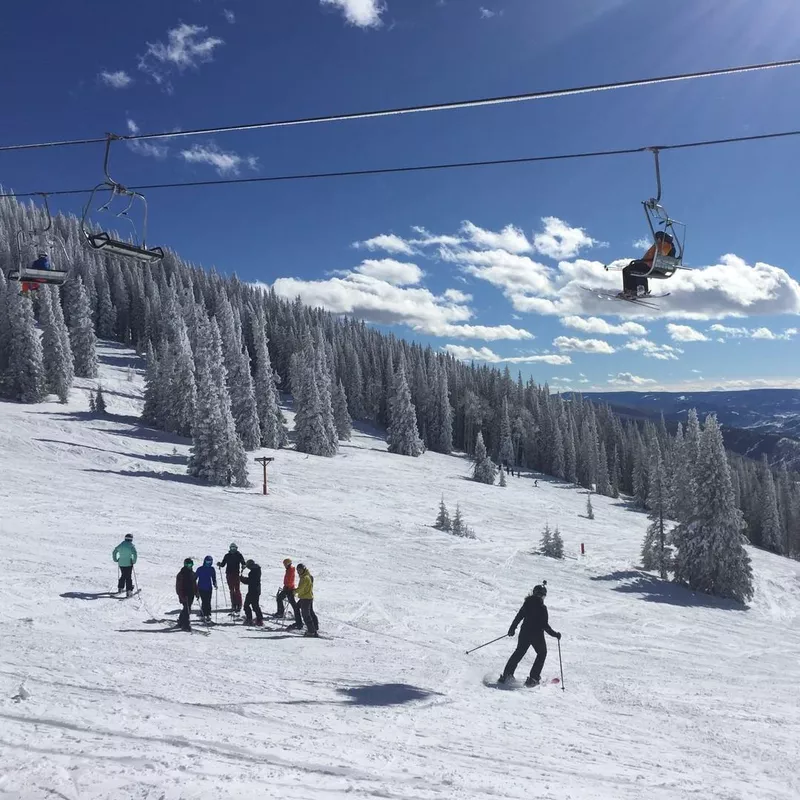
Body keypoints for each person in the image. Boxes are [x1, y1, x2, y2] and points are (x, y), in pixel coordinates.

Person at [499, 582, 561, 687]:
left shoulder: (527, 604)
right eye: (543, 595)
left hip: (525, 633)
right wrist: (555, 635)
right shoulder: (542, 608)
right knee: (542, 653)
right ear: (541, 595)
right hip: (536, 635)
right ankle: (533, 678)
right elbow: (544, 625)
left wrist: (512, 628)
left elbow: (519, 616)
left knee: (519, 652)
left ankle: (507, 675)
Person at [620, 231, 675, 299]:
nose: (656, 240)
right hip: (653, 265)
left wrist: (642, 261)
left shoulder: (665, 245)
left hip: (653, 266)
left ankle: (634, 290)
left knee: (631, 269)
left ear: (661, 238)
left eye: (657, 238)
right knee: (629, 269)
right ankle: (631, 290)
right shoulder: (663, 245)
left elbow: (661, 255)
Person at [218, 543, 245, 614]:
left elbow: (243, 562)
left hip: (236, 574)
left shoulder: (239, 555)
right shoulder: (227, 556)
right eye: (231, 548)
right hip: (229, 574)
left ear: (236, 548)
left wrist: (244, 565)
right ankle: (233, 604)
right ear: (230, 548)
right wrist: (220, 564)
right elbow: (223, 564)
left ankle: (239, 604)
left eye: (234, 548)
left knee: (237, 590)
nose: (233, 549)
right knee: (231, 590)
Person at [276, 558, 302, 628]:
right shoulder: (288, 569)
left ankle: (298, 621)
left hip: (289, 589)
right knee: (279, 598)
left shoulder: (290, 570)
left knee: (293, 605)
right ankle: (280, 612)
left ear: (288, 564)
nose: (284, 565)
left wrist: (287, 586)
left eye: (285, 564)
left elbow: (291, 580)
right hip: (287, 588)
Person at [296, 563, 319, 638]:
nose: (298, 571)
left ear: (304, 569)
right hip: (308, 597)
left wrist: (293, 592)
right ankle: (315, 626)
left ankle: (311, 631)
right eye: (298, 570)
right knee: (310, 612)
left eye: (300, 570)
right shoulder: (307, 576)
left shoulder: (305, 578)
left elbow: (301, 588)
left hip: (306, 598)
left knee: (306, 615)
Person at [240, 559, 263, 626]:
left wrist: (242, 579)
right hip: (256, 590)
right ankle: (259, 619)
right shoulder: (256, 570)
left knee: (247, 605)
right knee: (255, 605)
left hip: (253, 591)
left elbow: (250, 581)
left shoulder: (253, 572)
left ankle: (250, 619)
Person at [176, 558, 197, 632]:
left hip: (191, 594)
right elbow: (178, 586)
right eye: (188, 564)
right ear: (185, 565)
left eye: (191, 564)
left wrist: (196, 592)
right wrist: (181, 595)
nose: (190, 566)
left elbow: (195, 584)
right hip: (184, 594)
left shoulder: (192, 574)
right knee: (187, 609)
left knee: (187, 608)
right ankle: (186, 624)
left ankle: (181, 620)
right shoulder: (181, 574)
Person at [195, 555, 218, 623]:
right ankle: (204, 614)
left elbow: (213, 578)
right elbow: (195, 578)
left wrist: (215, 584)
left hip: (209, 588)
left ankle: (207, 614)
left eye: (210, 562)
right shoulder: (200, 569)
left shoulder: (212, 569)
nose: (208, 563)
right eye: (207, 561)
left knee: (208, 601)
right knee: (204, 601)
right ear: (204, 561)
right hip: (201, 588)